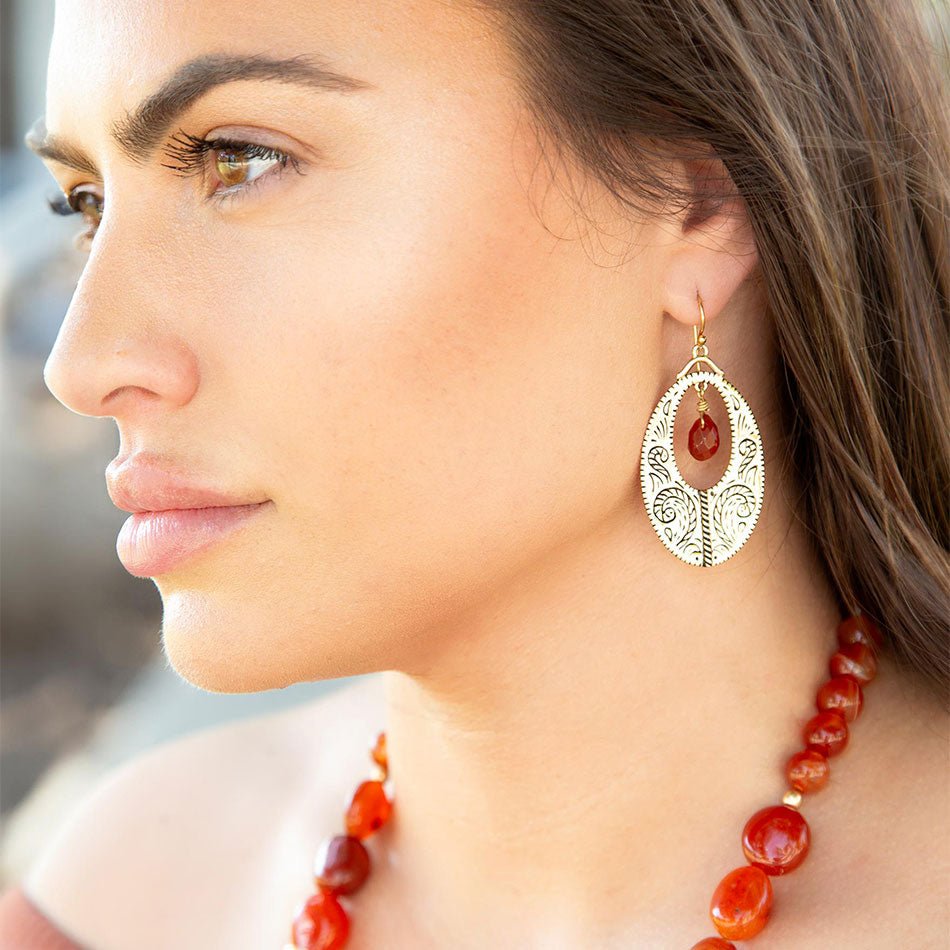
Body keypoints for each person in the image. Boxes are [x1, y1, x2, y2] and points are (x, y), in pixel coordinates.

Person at [3, 0, 947, 947]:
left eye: (240, 159)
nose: (82, 365)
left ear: (694, 206)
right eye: (85, 206)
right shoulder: (120, 904)